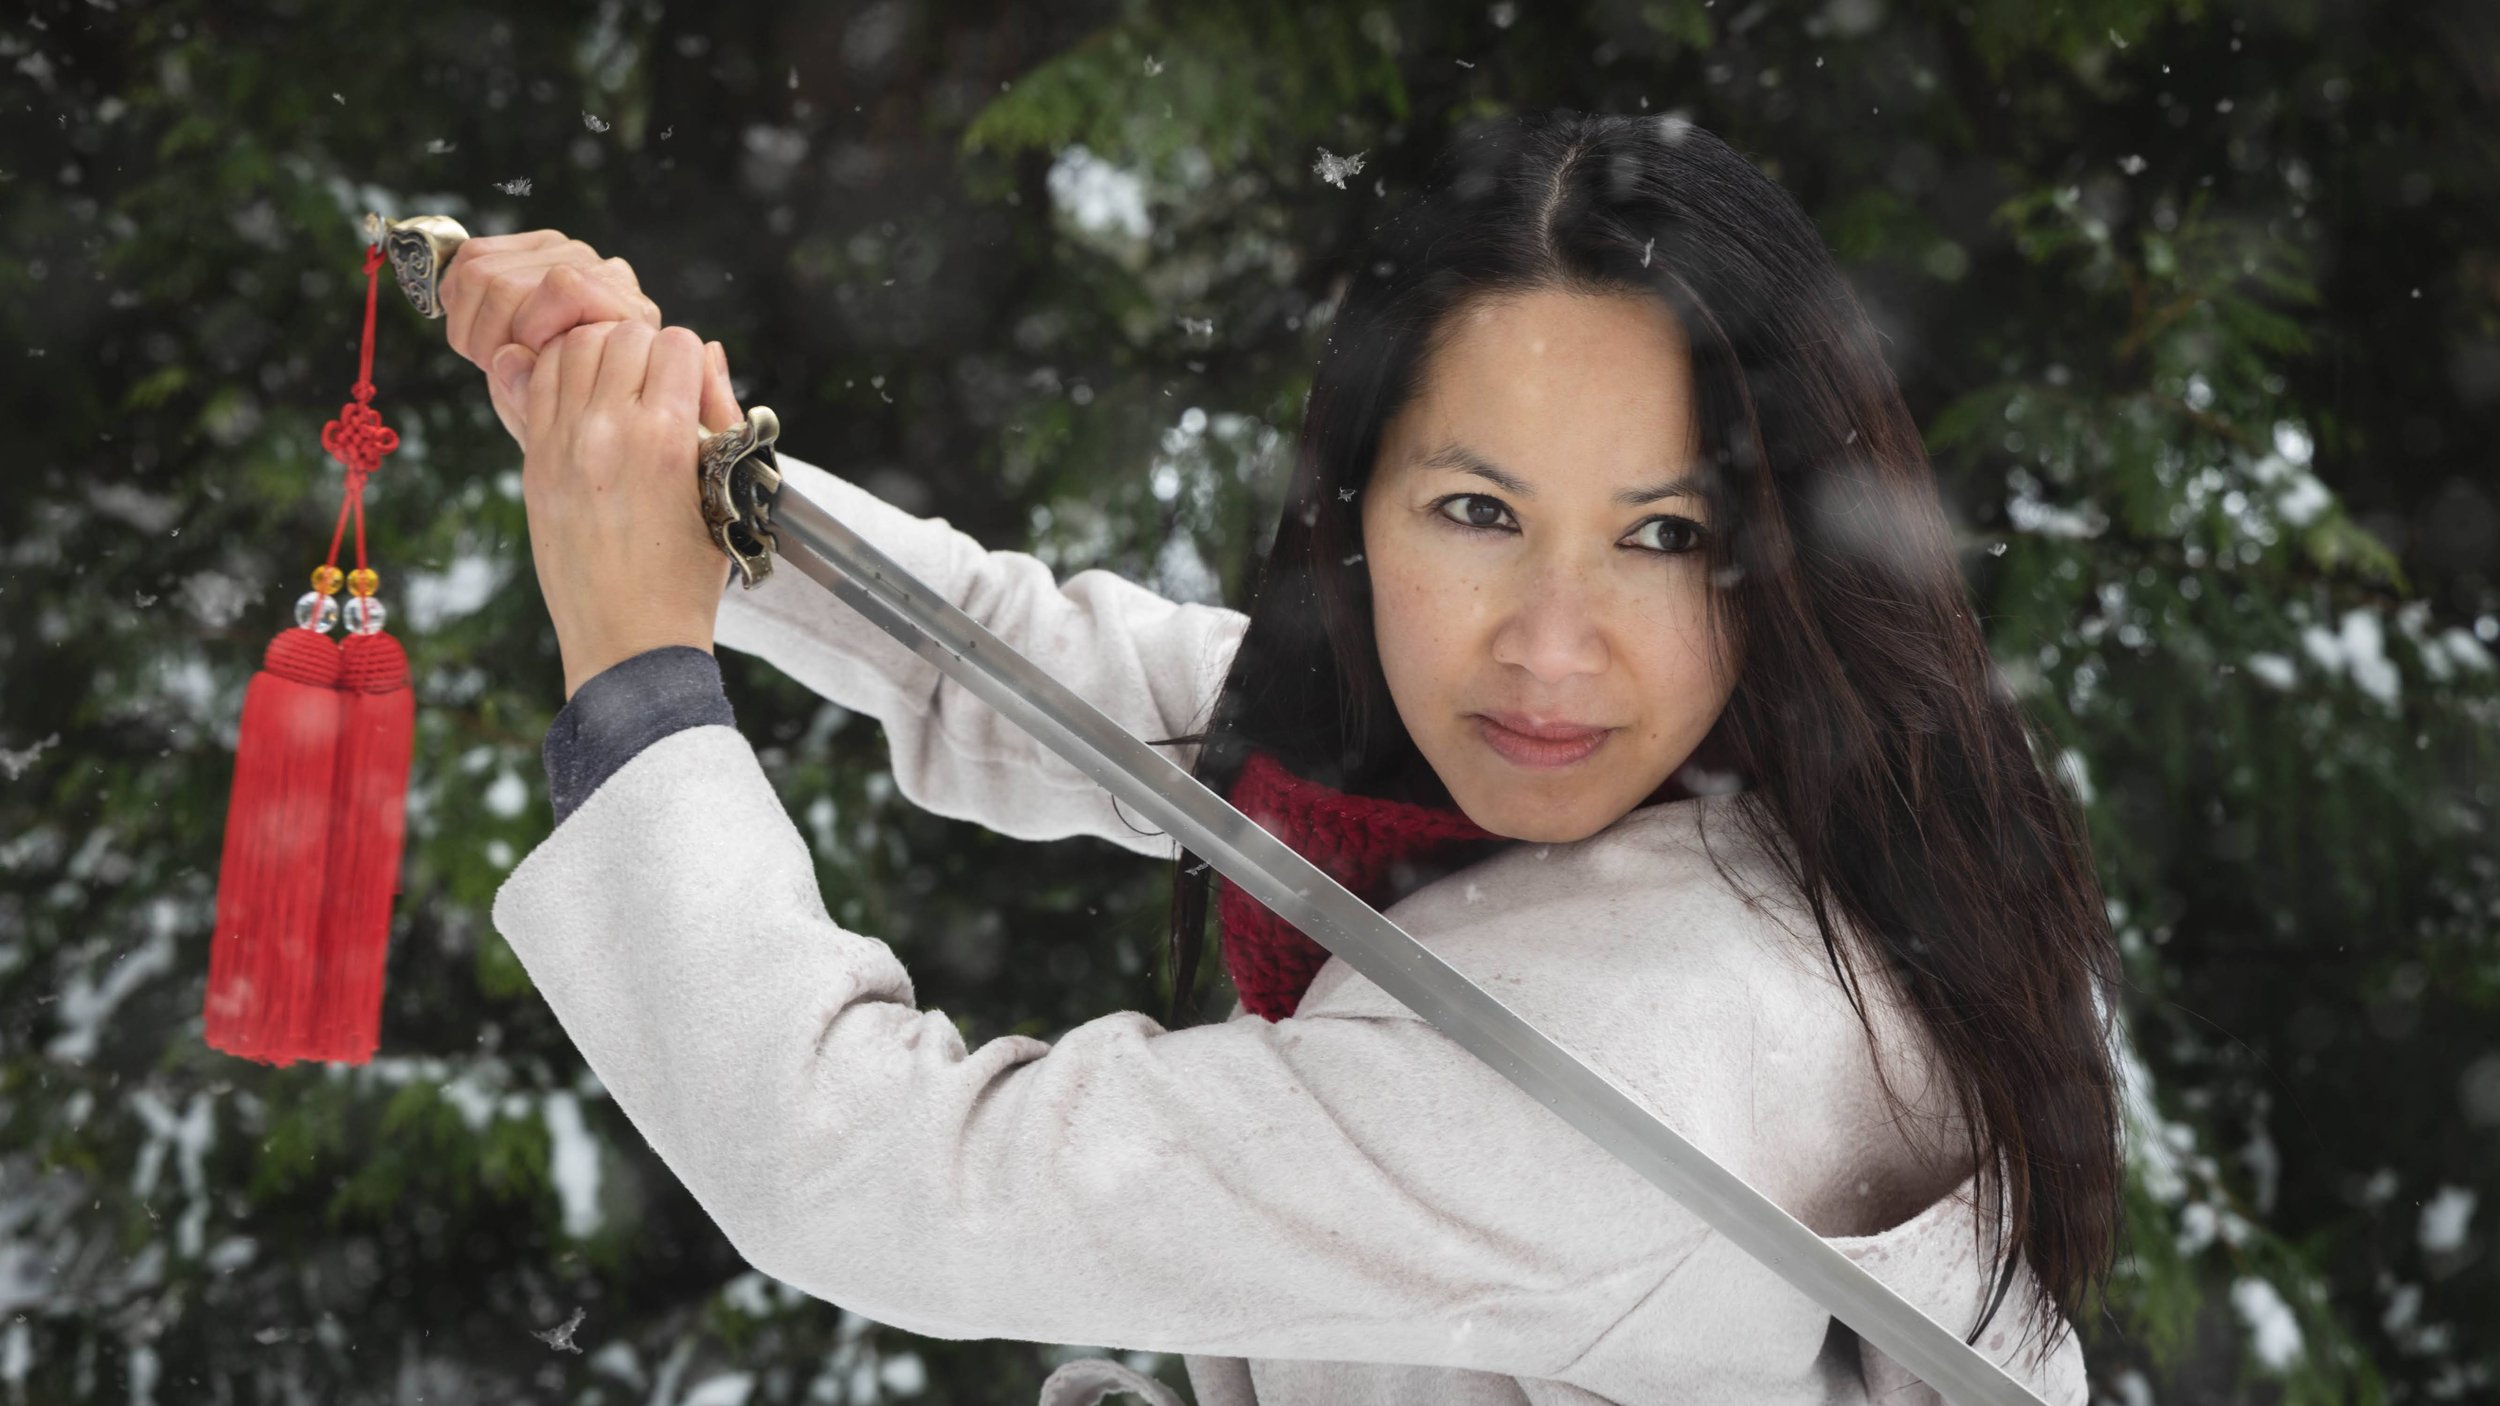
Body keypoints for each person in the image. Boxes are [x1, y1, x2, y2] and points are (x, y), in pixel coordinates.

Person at [451, 110, 2121, 1405]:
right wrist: (673, 469)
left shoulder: (1608, 1071)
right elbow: (1052, 672)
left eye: (1663, 534)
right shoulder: (1766, 775)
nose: (1551, 645)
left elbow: (867, 1166)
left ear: (1781, 548)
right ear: (1360, 510)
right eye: (1479, 511)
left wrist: (638, 675)